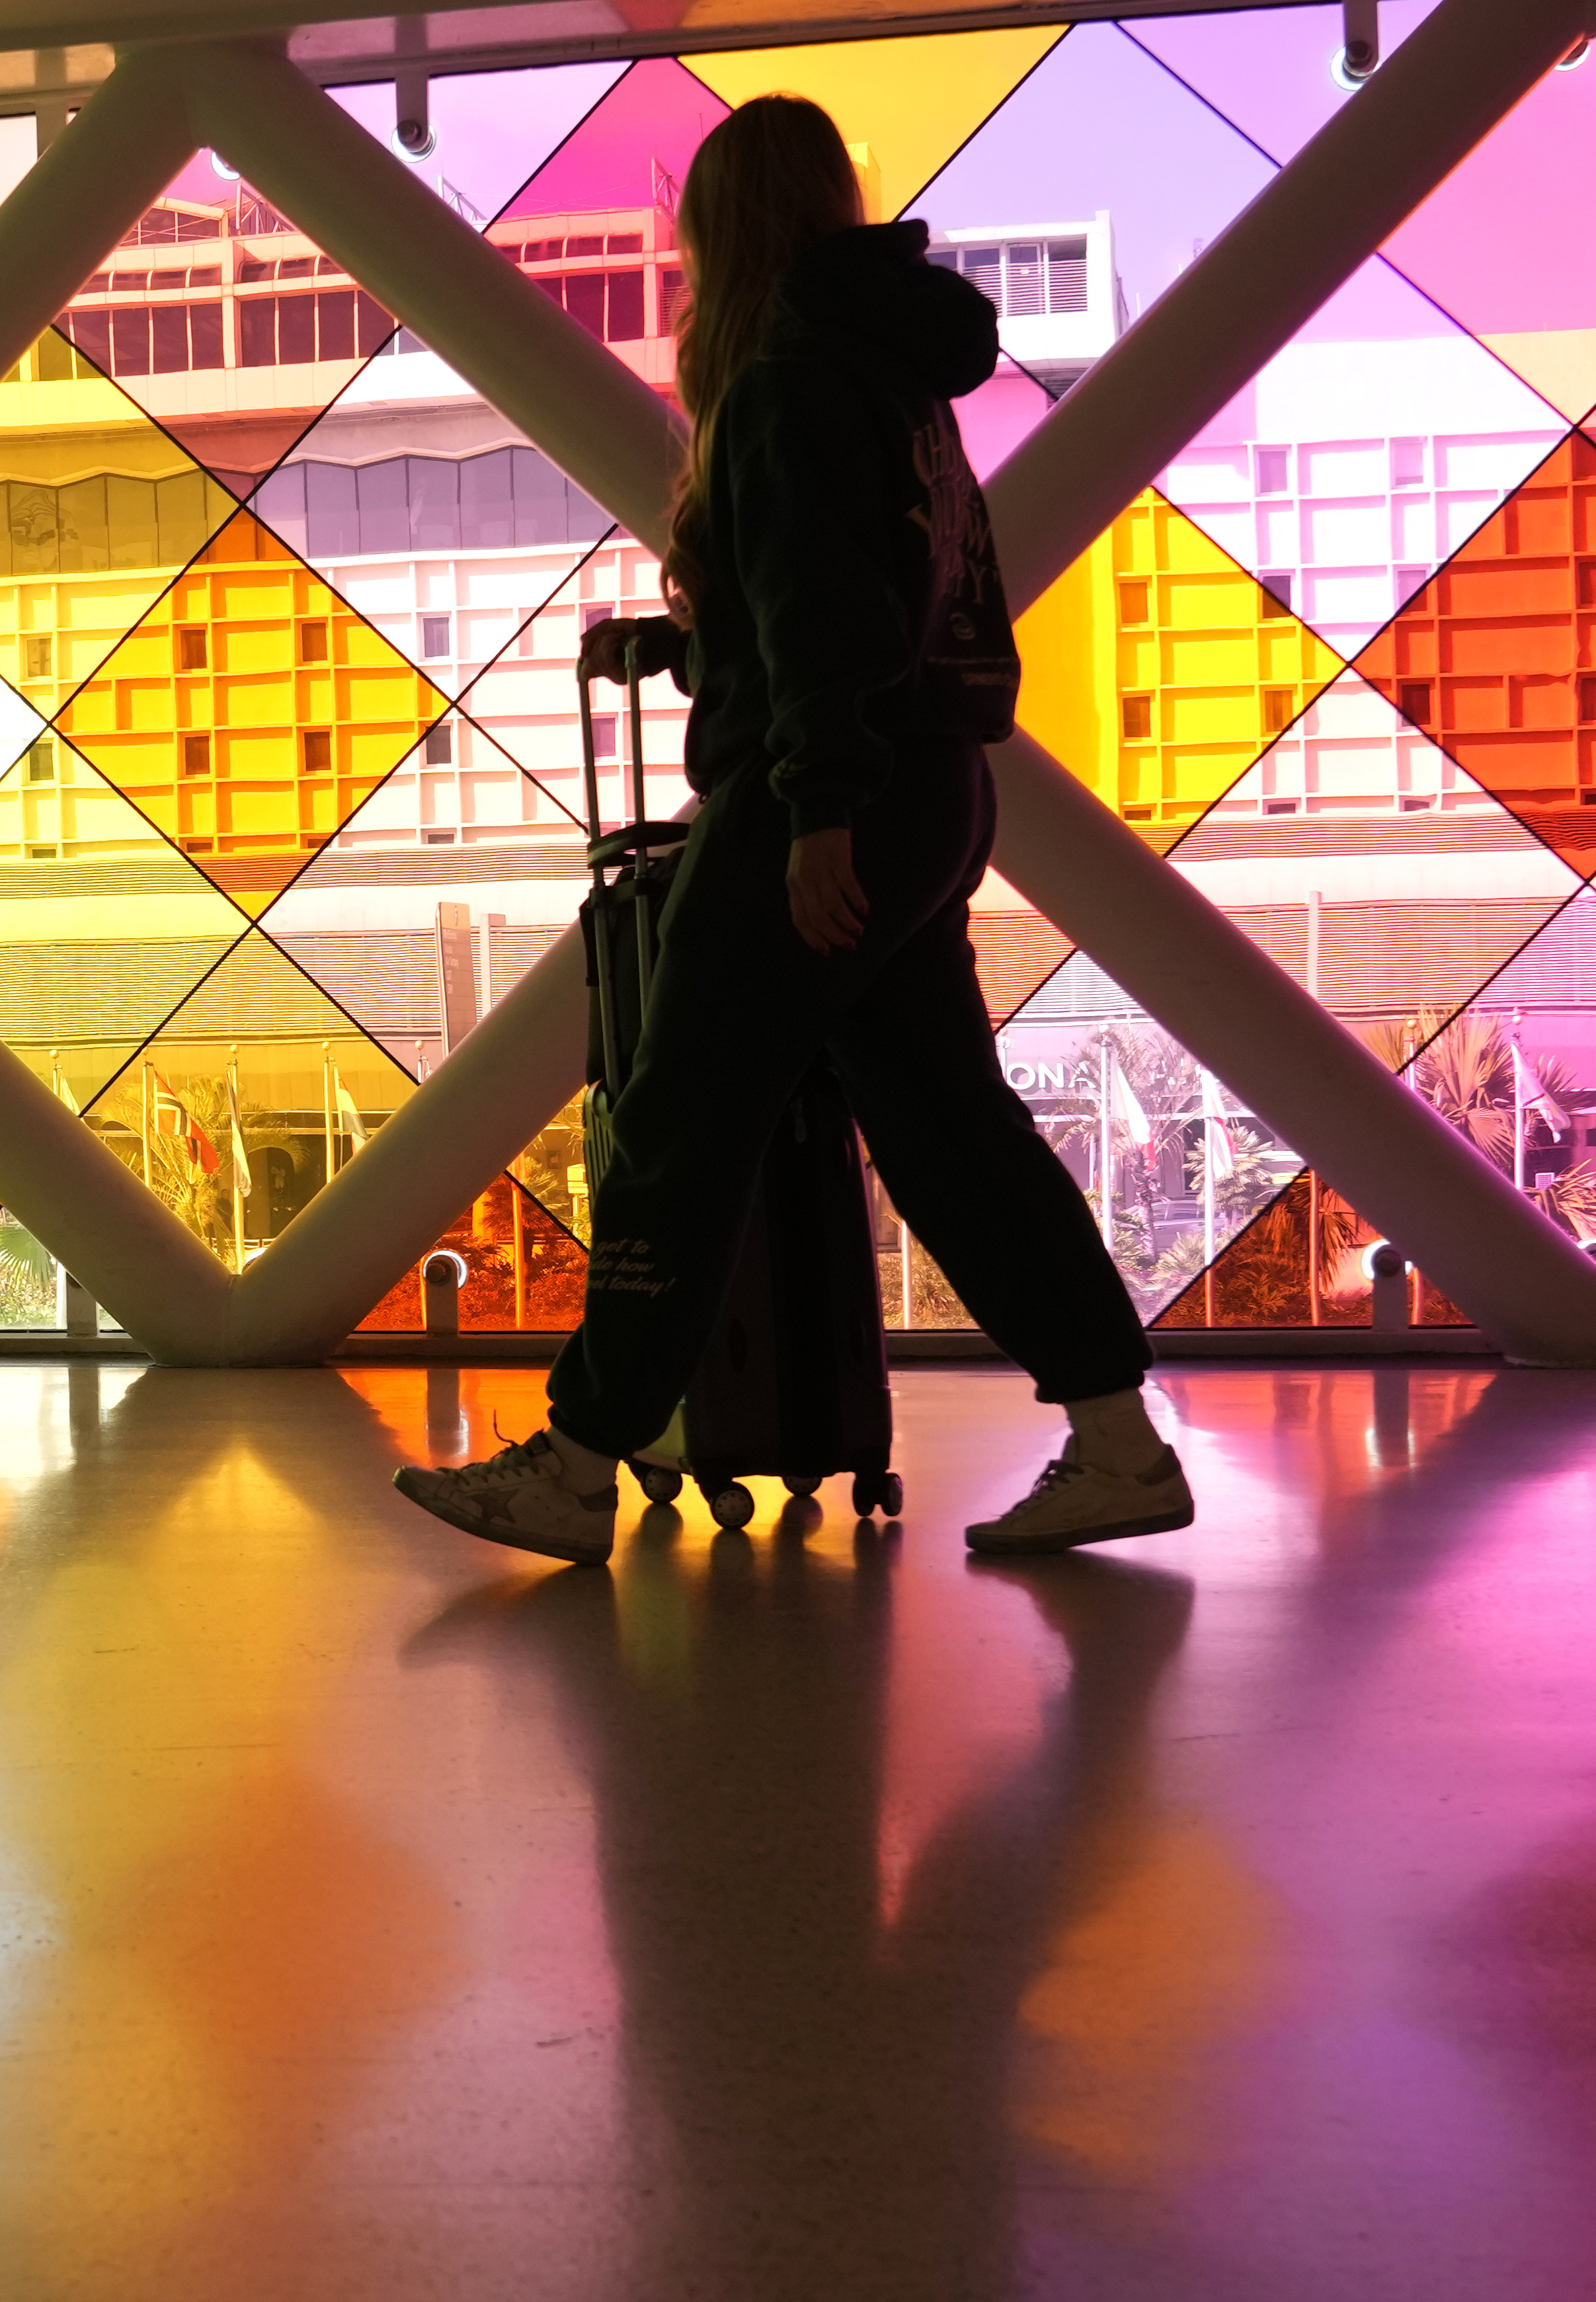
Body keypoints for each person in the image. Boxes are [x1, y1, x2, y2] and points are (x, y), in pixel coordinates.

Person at [394, 96, 1189, 1564]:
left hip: (816, 809)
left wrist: (815, 804)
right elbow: (874, 610)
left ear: (720, 231)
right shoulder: (898, 381)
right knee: (953, 1136)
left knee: (680, 1121)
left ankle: (573, 1465)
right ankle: (1115, 1440)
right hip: (932, 790)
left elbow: (825, 624)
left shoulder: (781, 382)